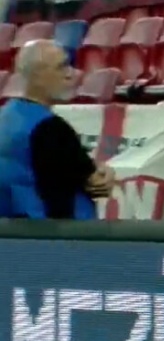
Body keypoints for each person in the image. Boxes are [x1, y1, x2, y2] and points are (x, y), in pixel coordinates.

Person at [0, 39, 115, 219]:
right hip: (55, 230)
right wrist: (105, 172)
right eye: (62, 67)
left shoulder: (6, 116)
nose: (71, 74)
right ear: (37, 75)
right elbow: (96, 181)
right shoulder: (50, 128)